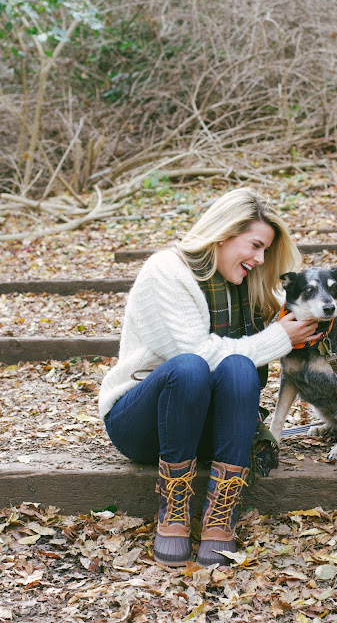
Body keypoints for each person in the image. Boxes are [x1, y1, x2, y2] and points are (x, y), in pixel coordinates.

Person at [98, 187, 323, 567]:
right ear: (223, 233)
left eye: (265, 250)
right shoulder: (166, 271)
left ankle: (221, 515)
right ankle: (174, 508)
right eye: (254, 245)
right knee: (190, 366)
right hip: (141, 421)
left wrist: (321, 314)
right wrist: (278, 338)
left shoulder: (244, 285)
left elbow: (246, 371)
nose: (260, 258)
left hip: (205, 426)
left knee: (237, 367)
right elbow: (200, 354)